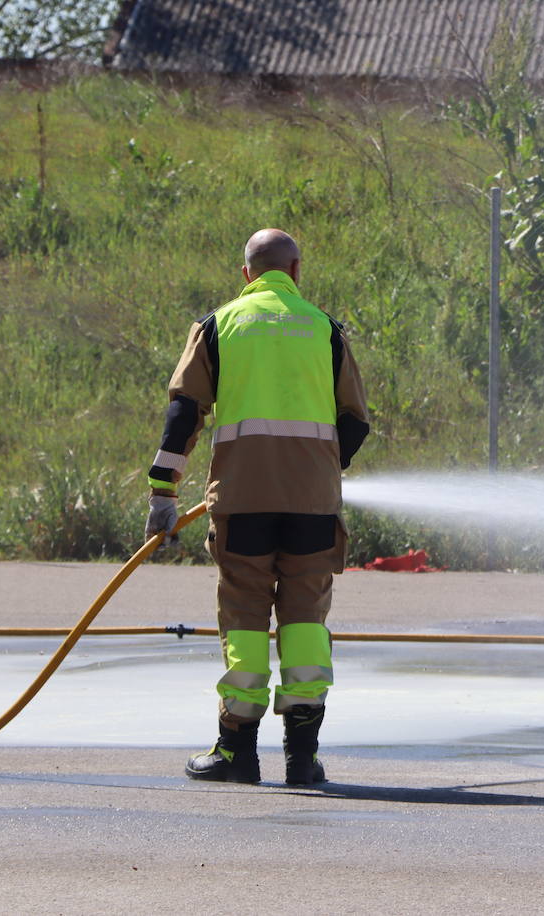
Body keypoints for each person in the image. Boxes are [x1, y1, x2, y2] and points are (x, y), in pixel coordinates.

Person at [144, 228, 370, 786]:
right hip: (312, 509)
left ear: (248, 275)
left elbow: (183, 415)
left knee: (244, 620)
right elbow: (356, 421)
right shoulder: (325, 329)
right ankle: (302, 757)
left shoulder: (218, 327)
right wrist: (316, 471)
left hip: (241, 505)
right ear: (295, 271)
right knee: (304, 622)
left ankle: (236, 752)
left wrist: (163, 492)